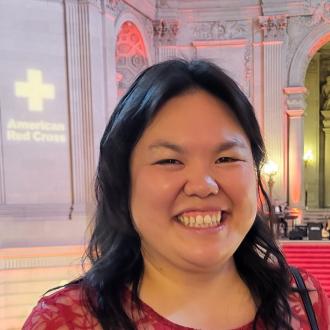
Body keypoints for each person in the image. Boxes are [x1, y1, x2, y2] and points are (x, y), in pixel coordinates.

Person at [23, 60, 330, 329]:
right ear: (123, 181)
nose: (203, 185)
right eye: (169, 160)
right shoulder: (64, 321)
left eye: (226, 158)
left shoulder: (304, 302)